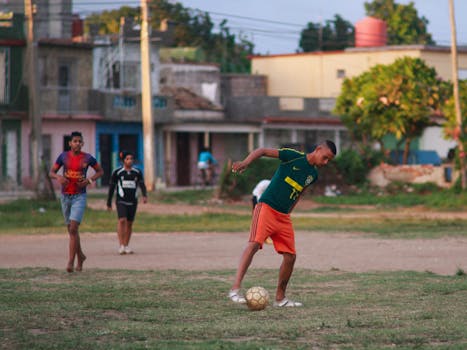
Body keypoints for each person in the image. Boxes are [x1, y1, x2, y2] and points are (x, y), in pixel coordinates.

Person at [228, 140, 337, 307]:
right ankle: (235, 290)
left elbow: (299, 193)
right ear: (318, 149)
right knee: (254, 244)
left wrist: (288, 212)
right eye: (325, 158)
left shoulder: (312, 175)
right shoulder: (292, 156)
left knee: (290, 256)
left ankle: (280, 299)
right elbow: (263, 150)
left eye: (329, 160)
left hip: (283, 216)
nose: (325, 162)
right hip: (266, 208)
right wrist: (245, 162)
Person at [49, 131, 104, 273]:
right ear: (70, 143)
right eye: (75, 141)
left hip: (79, 196)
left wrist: (89, 180)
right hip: (65, 196)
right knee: (72, 231)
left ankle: (70, 262)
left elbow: (100, 171)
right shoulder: (63, 157)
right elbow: (51, 172)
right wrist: (58, 177)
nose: (77, 143)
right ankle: (81, 257)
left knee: (73, 229)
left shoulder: (87, 158)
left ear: (83, 143)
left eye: (80, 141)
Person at [106, 151, 147, 255]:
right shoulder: (117, 172)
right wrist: (109, 202)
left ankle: (126, 245)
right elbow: (112, 187)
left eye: (131, 159)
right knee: (122, 220)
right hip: (121, 200)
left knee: (129, 223)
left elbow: (142, 184)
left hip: (133, 201)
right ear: (123, 160)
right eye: (127, 159)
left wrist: (144, 195)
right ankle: (121, 246)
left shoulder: (137, 172)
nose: (130, 161)